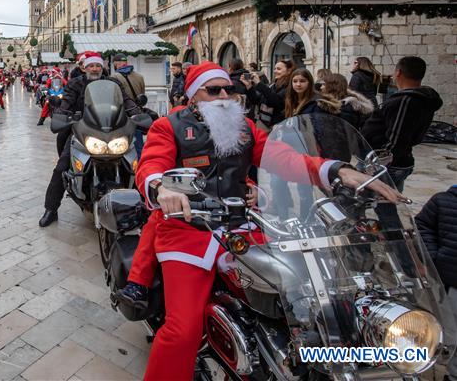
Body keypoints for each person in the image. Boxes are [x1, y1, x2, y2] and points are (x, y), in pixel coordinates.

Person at [116, 61, 401, 381]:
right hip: (188, 230)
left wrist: (337, 171)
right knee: (182, 330)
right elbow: (151, 166)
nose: (225, 95)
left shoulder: (244, 128)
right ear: (195, 95)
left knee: (300, 294)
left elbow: (283, 158)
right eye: (214, 90)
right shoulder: (168, 126)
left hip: (242, 227)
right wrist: (161, 187)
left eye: (230, 89)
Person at [39, 52, 141, 227]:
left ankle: (144, 204)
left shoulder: (113, 83)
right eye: (91, 66)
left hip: (112, 130)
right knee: (62, 166)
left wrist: (138, 114)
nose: (95, 69)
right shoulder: (75, 84)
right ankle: (51, 209)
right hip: (83, 130)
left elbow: (127, 101)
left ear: (103, 68)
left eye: (98, 66)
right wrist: (62, 115)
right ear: (83, 67)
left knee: (137, 163)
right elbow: (66, 103)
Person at [362, 56, 442, 192]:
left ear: (398, 72)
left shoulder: (405, 101)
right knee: (388, 204)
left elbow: (397, 138)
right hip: (395, 161)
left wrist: (378, 163)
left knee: (379, 206)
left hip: (387, 165)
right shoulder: (419, 99)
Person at [415, 185, 457, 381]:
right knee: (452, 331)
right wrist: (433, 257)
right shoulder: (443, 201)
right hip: (451, 282)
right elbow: (421, 226)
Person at [112, 53, 147, 154]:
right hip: (137, 113)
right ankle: (140, 164)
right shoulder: (139, 77)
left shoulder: (114, 77)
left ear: (117, 64)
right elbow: (142, 94)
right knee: (138, 143)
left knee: (122, 143)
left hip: (123, 114)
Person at [247, 59, 293, 128]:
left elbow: (276, 101)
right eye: (274, 69)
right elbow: (257, 100)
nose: (275, 71)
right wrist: (249, 87)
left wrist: (259, 83)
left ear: (288, 71)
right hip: (264, 123)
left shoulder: (290, 87)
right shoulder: (272, 85)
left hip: (278, 125)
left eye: (279, 69)